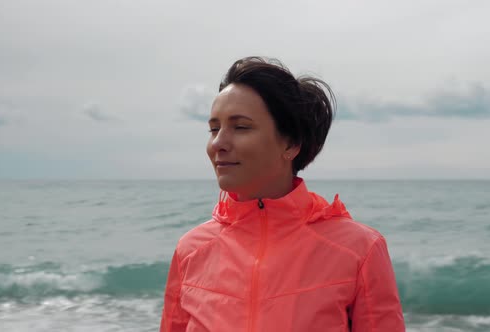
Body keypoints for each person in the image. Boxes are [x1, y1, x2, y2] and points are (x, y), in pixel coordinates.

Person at [160, 57, 405, 332]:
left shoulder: (359, 250)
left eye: (240, 127)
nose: (218, 143)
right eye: (214, 129)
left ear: (290, 144)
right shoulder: (191, 250)